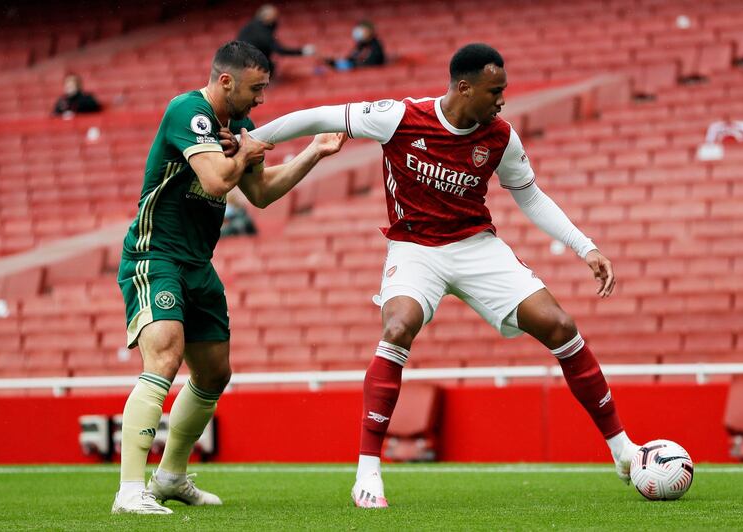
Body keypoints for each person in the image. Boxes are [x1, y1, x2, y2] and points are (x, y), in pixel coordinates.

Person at [247, 43, 640, 509]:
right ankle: (368, 469)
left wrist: (585, 245)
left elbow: (530, 197)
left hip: (475, 246)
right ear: (464, 87)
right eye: (495, 91)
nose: (501, 101)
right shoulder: (399, 117)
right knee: (397, 327)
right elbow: (317, 117)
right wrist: (258, 139)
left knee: (561, 326)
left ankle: (623, 451)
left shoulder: (500, 137)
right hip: (414, 248)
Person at [112, 40, 345, 515]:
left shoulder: (240, 128)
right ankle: (130, 491)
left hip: (198, 263)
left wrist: (313, 153)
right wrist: (245, 153)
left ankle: (171, 477)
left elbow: (258, 193)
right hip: (154, 256)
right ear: (226, 81)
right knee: (165, 355)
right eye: (255, 89)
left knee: (215, 372)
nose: (260, 100)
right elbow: (219, 181)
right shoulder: (189, 112)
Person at [237, 4, 314, 78]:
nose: (276, 19)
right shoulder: (262, 32)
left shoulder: (251, 26)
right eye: (273, 16)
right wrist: (303, 51)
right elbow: (280, 50)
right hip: (252, 65)